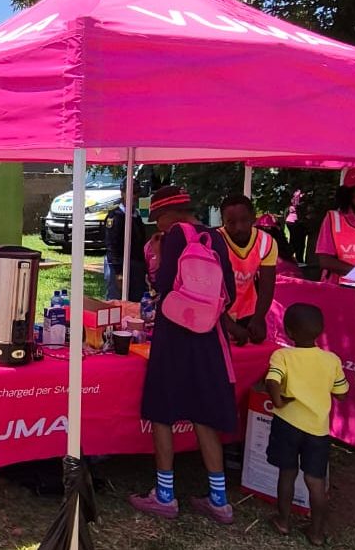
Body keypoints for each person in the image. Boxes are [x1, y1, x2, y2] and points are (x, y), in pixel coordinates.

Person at [130, 187, 238, 524]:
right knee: (203, 413)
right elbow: (230, 293)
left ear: (169, 214)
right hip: (208, 335)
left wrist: (157, 257)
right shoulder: (216, 237)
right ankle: (219, 500)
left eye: (157, 219)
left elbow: (162, 285)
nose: (158, 226)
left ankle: (165, 495)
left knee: (161, 410)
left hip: (174, 335)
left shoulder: (175, 236)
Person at [265, 303, 348, 546]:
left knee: (287, 473)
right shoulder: (332, 360)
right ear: (320, 331)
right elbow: (342, 394)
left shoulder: (282, 356)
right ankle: (317, 533)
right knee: (316, 481)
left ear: (289, 332)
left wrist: (278, 400)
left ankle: (283, 521)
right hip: (318, 430)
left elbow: (272, 380)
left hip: (287, 424)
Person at [217, 195, 277, 346]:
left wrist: (258, 318)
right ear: (223, 222)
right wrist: (229, 325)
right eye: (231, 222)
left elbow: (266, 288)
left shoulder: (266, 242)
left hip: (248, 310)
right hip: (218, 312)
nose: (238, 227)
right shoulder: (215, 241)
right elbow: (209, 292)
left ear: (253, 217)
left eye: (244, 220)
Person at [103, 178, 147, 301]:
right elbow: (111, 245)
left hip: (136, 265)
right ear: (122, 193)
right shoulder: (115, 216)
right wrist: (118, 272)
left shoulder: (136, 216)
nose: (134, 196)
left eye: (136, 193)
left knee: (135, 301)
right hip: (119, 264)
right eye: (130, 193)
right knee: (116, 301)